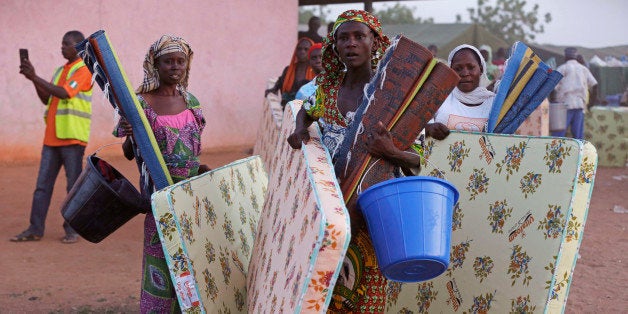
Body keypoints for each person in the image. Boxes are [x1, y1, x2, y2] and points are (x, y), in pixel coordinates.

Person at [287, 10, 421, 312]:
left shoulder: (393, 96)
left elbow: (419, 158)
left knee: (367, 295)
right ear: (334, 46)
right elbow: (306, 110)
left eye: (359, 36)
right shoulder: (329, 90)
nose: (351, 43)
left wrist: (392, 151)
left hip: (373, 216)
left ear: (374, 42)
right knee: (326, 294)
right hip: (332, 213)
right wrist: (299, 129)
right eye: (343, 38)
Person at [113, 35, 209, 312]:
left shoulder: (191, 101)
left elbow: (193, 152)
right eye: (168, 61)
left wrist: (201, 169)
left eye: (181, 61)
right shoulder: (140, 103)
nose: (175, 67)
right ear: (155, 65)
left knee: (191, 259)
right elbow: (129, 153)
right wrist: (131, 136)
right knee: (161, 256)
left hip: (191, 196)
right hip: (160, 196)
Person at [11, 30, 93, 244]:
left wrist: (35, 77)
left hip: (73, 139)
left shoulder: (83, 69)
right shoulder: (60, 71)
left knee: (72, 187)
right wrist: (33, 79)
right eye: (61, 44)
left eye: (66, 44)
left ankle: (72, 229)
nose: (61, 47)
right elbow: (47, 98)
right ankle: (35, 228)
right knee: (42, 186)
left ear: (77, 47)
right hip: (52, 138)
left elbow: (65, 93)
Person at [425, 44, 496, 140]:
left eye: (471, 67)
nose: (465, 73)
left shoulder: (494, 104)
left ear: (481, 69)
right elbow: (412, 130)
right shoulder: (439, 98)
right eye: (458, 69)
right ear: (451, 71)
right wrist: (428, 129)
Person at [551, 47, 598, 139]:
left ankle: (556, 153)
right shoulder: (583, 69)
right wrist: (591, 103)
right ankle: (579, 153)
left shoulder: (562, 68)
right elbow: (595, 85)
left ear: (565, 57)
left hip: (564, 105)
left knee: (558, 135)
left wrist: (553, 102)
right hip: (579, 105)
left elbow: (552, 86)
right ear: (576, 57)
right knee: (578, 137)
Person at [265, 37, 316, 108]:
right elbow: (280, 81)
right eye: (299, 49)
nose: (302, 51)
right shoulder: (288, 70)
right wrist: (273, 89)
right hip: (287, 111)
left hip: (306, 111)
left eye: (306, 49)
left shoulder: (315, 71)